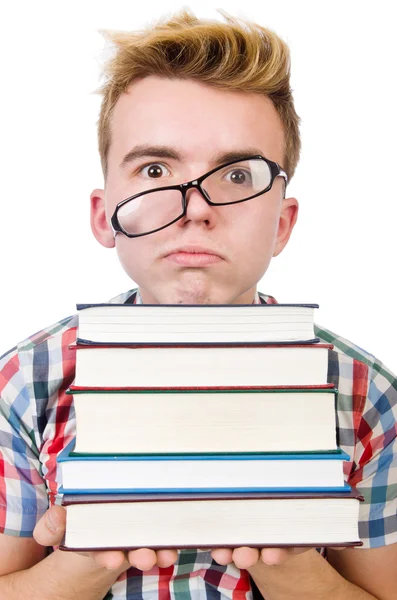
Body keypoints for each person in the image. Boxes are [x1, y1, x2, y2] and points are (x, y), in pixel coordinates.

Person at [0, 9, 396, 600]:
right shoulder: (26, 385)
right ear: (103, 216)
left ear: (283, 224)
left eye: (237, 176)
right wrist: (83, 561)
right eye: (156, 168)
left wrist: (289, 561)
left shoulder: (369, 397)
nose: (195, 210)